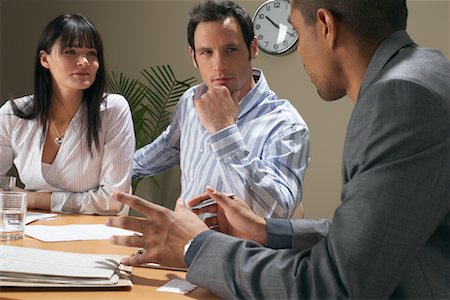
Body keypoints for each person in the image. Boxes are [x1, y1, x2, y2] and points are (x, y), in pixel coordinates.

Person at [106, 0, 449, 298]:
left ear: (326, 26)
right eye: (206, 53)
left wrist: (196, 246)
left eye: (298, 33)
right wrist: (269, 231)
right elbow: (375, 236)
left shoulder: (400, 98)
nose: (299, 51)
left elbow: (334, 286)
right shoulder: (426, 75)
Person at [132, 0, 309, 218]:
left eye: (230, 50)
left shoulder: (284, 123)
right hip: (181, 241)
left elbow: (276, 212)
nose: (218, 65)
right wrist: (109, 172)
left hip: (238, 250)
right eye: (206, 52)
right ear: (194, 57)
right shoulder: (191, 101)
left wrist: (223, 132)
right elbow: (168, 147)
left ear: (252, 49)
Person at [0, 14, 135, 215]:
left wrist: (33, 198)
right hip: (28, 229)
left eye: (91, 53)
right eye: (70, 52)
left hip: (92, 233)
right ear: (45, 59)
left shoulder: (112, 110)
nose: (83, 61)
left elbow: (111, 201)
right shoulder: (12, 115)